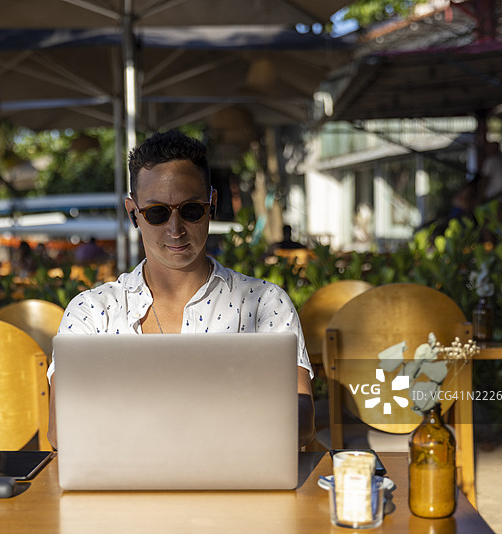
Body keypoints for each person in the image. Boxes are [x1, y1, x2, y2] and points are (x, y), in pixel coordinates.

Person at [47, 130, 314, 448]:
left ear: (211, 205)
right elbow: (60, 433)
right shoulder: (91, 312)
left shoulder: (266, 303)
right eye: (157, 213)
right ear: (134, 213)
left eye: (191, 210)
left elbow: (303, 423)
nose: (175, 229)